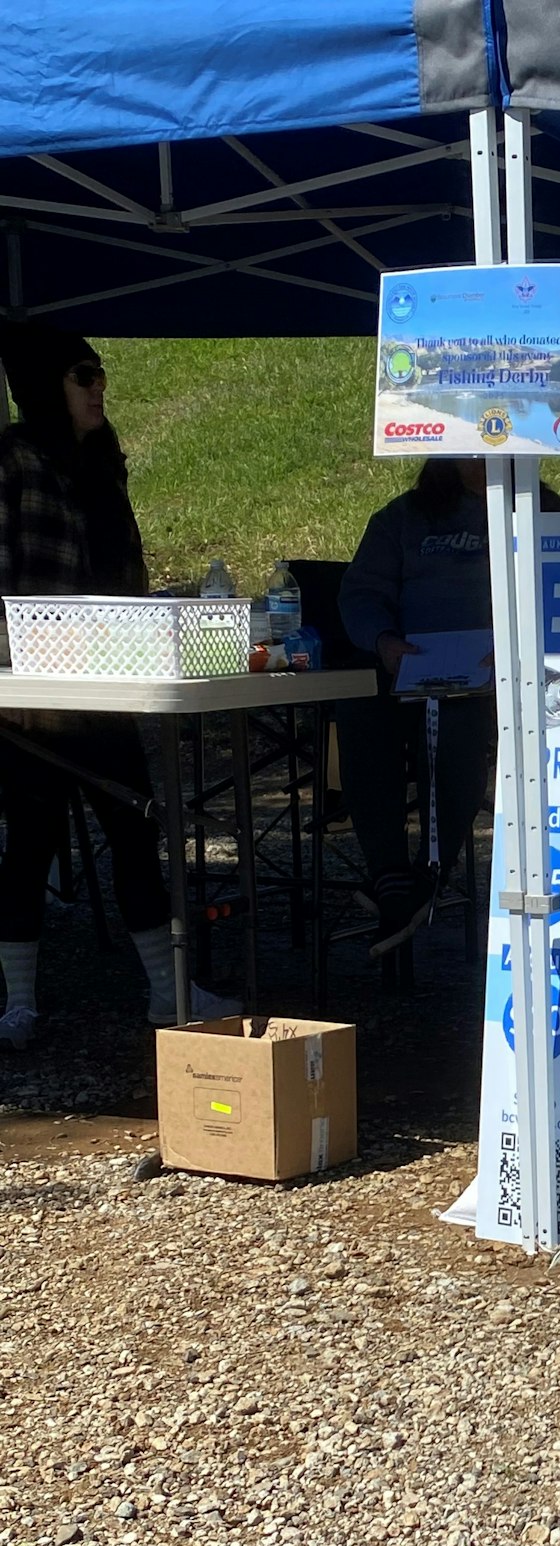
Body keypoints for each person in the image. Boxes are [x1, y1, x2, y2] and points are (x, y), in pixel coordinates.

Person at [0, 323, 226, 1049]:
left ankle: (169, 993)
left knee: (135, 833)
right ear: (45, 385)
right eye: (83, 374)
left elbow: (121, 573)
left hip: (109, 680)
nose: (99, 387)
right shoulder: (13, 460)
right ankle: (19, 1005)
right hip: (34, 693)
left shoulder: (103, 457)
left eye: (101, 373)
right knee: (29, 846)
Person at [336, 461, 560, 956]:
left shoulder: (543, 513)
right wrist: (384, 642)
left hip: (493, 675)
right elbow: (361, 594)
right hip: (408, 666)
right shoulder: (402, 518)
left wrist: (521, 647)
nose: (480, 458)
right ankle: (389, 875)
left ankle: (432, 871)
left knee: (460, 717)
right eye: (468, 451)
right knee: (359, 709)